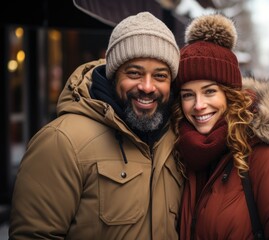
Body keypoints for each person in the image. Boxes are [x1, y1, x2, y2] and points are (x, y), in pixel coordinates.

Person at [9, 12, 184, 239]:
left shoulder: (175, 138)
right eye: (134, 73)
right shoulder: (62, 140)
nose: (147, 86)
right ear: (113, 75)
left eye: (160, 76)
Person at [171, 14, 269, 239]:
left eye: (210, 91)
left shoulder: (266, 154)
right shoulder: (183, 150)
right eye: (188, 95)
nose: (199, 105)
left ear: (230, 95)